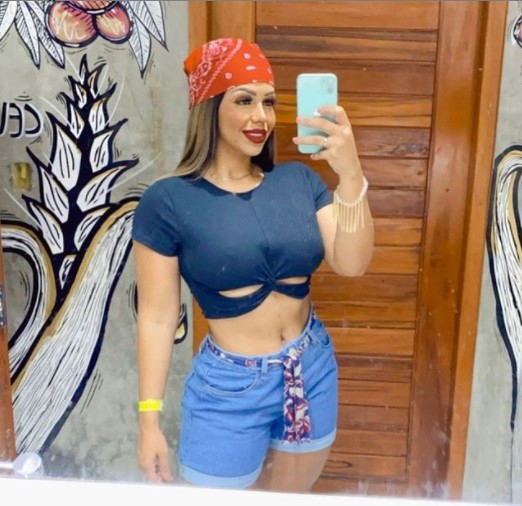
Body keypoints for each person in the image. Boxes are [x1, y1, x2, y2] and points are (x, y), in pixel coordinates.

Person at [131, 37, 374, 492]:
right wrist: (149, 421)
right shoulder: (168, 201)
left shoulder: (298, 181)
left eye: (268, 102)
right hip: (228, 389)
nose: (261, 116)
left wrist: (351, 173)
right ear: (209, 107)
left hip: (310, 369)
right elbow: (159, 317)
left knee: (290, 497)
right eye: (244, 100)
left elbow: (352, 262)